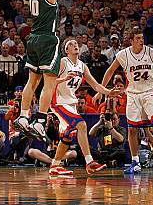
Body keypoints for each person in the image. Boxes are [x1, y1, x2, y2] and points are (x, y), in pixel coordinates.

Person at [15, 0, 73, 141]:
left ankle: (23, 117)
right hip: (48, 38)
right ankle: (40, 121)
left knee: (32, 81)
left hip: (32, 38)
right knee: (49, 83)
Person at [98, 28, 153, 174]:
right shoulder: (123, 55)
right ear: (131, 40)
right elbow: (110, 71)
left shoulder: (152, 53)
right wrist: (101, 89)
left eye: (142, 38)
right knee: (132, 129)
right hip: (132, 93)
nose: (141, 40)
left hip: (150, 92)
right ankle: (135, 161)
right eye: (138, 38)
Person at [48, 39, 121, 177]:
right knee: (81, 125)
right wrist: (64, 79)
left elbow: (95, 85)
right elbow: (49, 81)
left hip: (71, 103)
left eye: (76, 43)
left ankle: (55, 166)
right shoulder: (63, 62)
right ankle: (89, 162)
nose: (75, 45)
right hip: (58, 102)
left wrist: (108, 92)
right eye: (71, 44)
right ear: (66, 50)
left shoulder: (82, 66)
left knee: (67, 137)